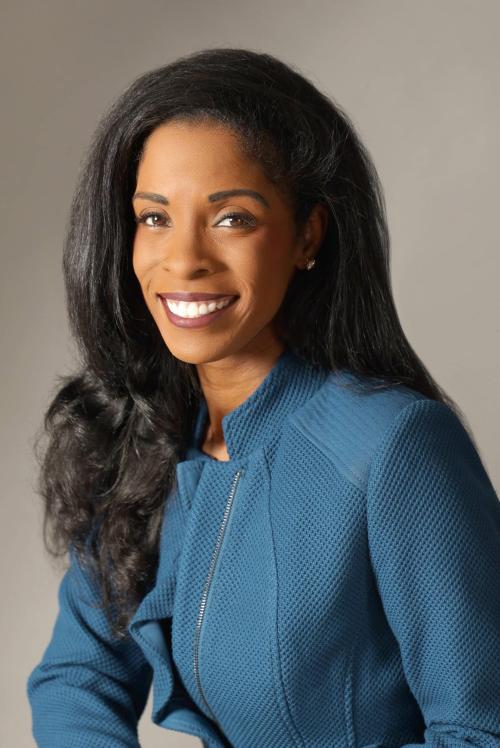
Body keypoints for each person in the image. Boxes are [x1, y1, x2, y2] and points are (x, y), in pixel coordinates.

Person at [26, 47, 500, 748]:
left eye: (231, 219)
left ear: (307, 234)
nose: (183, 259)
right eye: (154, 218)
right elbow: (78, 677)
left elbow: (480, 731)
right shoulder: (140, 434)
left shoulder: (394, 445)